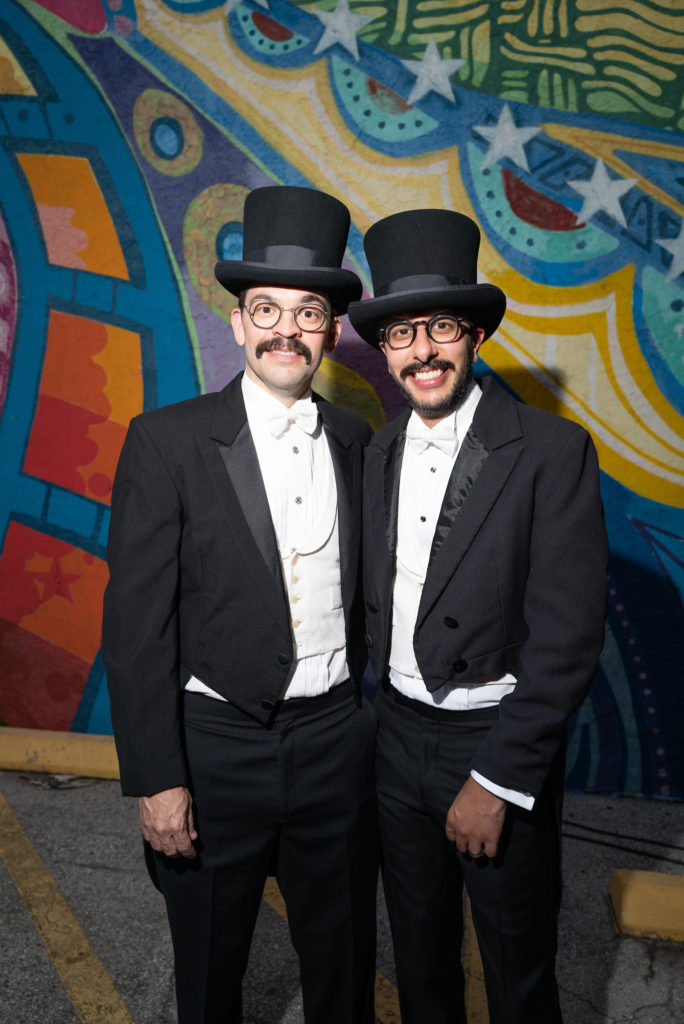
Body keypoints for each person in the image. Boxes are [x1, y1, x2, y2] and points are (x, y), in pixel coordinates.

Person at [102, 185, 378, 1024]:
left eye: (308, 313)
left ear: (331, 331)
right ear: (237, 323)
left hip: (335, 741)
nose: (286, 330)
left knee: (344, 964)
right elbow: (137, 629)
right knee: (209, 968)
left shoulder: (356, 440)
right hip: (215, 747)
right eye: (267, 310)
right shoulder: (165, 440)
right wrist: (158, 778)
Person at [347, 209, 608, 1024]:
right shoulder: (379, 451)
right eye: (402, 333)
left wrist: (497, 781)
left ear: (475, 335)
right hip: (396, 738)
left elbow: (567, 641)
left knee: (516, 968)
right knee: (419, 959)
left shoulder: (552, 451)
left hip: (492, 741)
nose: (422, 350)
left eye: (442, 327)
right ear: (384, 349)